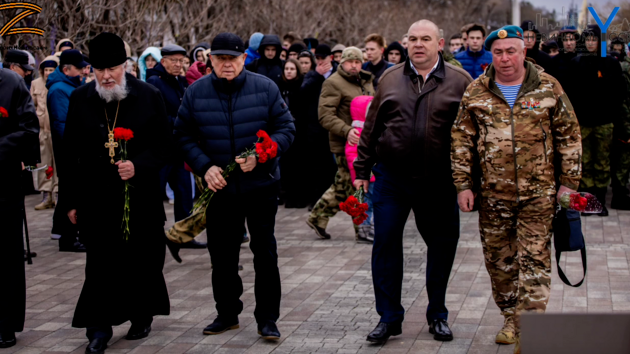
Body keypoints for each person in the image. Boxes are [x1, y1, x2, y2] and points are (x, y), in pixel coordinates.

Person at [451, 25, 582, 354]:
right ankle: (511, 319)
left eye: (511, 51)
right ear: (491, 54)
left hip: (539, 194)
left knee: (534, 260)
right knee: (500, 262)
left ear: (524, 52)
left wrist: (570, 184)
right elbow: (461, 141)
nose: (505, 58)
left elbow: (569, 135)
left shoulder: (548, 87)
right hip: (493, 196)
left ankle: (530, 326)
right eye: (498, 52)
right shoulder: (476, 91)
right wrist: (463, 184)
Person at [353, 19, 472, 344]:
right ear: (405, 43)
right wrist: (362, 170)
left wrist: (468, 182)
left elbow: (475, 137)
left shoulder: (460, 82)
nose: (418, 44)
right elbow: (371, 128)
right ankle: (389, 318)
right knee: (386, 244)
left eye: (426, 39)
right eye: (413, 39)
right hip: (393, 178)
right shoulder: (389, 78)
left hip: (438, 181)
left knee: (442, 246)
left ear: (441, 44)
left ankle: (438, 314)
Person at [174, 32, 295, 340]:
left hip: (261, 185)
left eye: (233, 59)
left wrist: (262, 155)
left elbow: (286, 128)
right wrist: (205, 166)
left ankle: (267, 318)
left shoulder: (265, 88)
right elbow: (183, 136)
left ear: (244, 59)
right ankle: (227, 313)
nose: (226, 64)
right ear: (209, 60)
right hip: (220, 188)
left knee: (264, 251)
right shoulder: (195, 92)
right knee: (223, 255)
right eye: (220, 58)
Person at [60, 32, 172, 354]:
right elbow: (69, 154)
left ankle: (141, 315)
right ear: (90, 69)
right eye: (99, 69)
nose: (106, 76)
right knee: (99, 263)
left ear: (125, 65)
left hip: (139, 197)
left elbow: (165, 147)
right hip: (96, 198)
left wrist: (138, 164)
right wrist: (68, 201)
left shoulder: (149, 95)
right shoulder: (81, 98)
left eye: (113, 68)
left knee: (143, 260)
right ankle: (98, 328)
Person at [306, 46, 374, 242]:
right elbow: (325, 115)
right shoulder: (333, 83)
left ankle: (317, 218)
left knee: (342, 186)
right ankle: (362, 228)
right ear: (341, 62)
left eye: (358, 61)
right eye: (350, 61)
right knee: (356, 186)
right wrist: (347, 130)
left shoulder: (366, 80)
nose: (354, 65)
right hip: (345, 145)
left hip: (365, 145)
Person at [0, 59, 40, 350]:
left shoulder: (10, 82)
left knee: (6, 255)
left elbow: (29, 130)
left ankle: (5, 322)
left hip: (2, 184)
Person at [566, 24, 625, 217]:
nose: (591, 43)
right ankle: (587, 202)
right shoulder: (576, 63)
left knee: (602, 163)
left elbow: (619, 92)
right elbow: (570, 94)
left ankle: (600, 201)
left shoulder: (610, 64)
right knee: (584, 162)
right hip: (582, 122)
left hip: (604, 123)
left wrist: (613, 115)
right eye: (588, 40)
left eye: (594, 40)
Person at [47, 49, 88, 252]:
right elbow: (62, 124)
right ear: (66, 69)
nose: (82, 71)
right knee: (69, 193)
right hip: (68, 150)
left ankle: (73, 233)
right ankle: (68, 238)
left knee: (73, 192)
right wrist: (78, 145)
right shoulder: (59, 90)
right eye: (78, 68)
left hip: (75, 149)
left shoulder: (71, 86)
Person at [301, 43, 339, 209]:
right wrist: (317, 76)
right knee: (316, 165)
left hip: (333, 126)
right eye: (317, 58)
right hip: (314, 127)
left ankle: (332, 200)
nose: (320, 61)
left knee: (332, 166)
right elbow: (302, 93)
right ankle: (317, 200)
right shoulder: (311, 75)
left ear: (330, 58)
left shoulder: (338, 74)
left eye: (323, 58)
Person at [30, 55, 60, 211]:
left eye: (51, 69)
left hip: (57, 130)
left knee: (58, 163)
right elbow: (31, 106)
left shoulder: (58, 84)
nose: (48, 72)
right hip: (43, 131)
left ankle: (57, 195)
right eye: (46, 69)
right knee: (44, 164)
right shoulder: (35, 84)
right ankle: (46, 195)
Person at [346, 95, 375, 242]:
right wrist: (360, 170)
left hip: (371, 174)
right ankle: (364, 230)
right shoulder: (358, 133)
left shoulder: (368, 131)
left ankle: (368, 229)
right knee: (368, 203)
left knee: (371, 201)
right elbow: (352, 153)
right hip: (365, 175)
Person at [280, 59, 307, 208]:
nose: (289, 71)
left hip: (299, 132)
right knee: (287, 167)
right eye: (287, 68)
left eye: (292, 69)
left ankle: (300, 197)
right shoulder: (279, 86)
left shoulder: (302, 86)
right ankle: (288, 197)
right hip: (284, 132)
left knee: (299, 166)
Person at [611, 39, 630, 210]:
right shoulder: (624, 68)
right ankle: (620, 195)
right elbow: (622, 100)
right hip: (626, 122)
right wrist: (626, 128)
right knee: (623, 162)